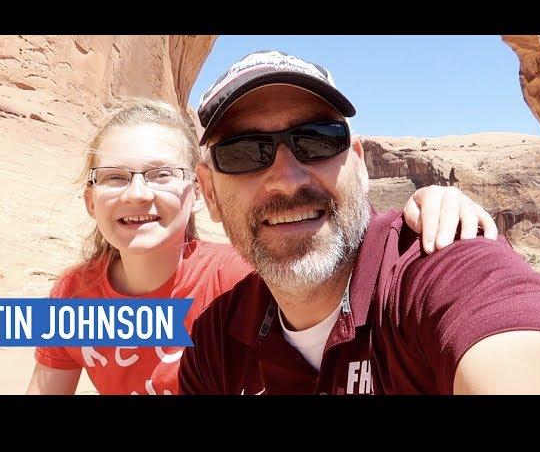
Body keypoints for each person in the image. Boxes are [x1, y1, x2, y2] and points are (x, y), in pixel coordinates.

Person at [25, 97, 494, 395]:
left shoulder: (239, 283)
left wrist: (432, 206)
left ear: (197, 193)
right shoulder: (72, 295)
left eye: (163, 174)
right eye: (114, 177)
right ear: (90, 200)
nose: (137, 194)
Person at [178, 50, 540, 395]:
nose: (287, 178)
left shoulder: (438, 267)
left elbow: (508, 335)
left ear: (358, 165)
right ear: (209, 193)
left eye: (316, 140)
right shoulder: (219, 341)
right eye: (244, 152)